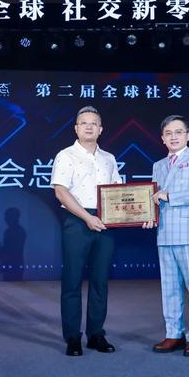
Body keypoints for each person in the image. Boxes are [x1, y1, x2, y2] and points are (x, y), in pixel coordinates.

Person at [51, 105, 121, 356]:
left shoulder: (109, 158)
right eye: (84, 123)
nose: (89, 126)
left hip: (106, 222)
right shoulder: (66, 155)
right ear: (76, 128)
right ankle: (72, 337)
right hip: (77, 221)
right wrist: (86, 217)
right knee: (72, 280)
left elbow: (118, 192)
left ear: (101, 129)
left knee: (100, 281)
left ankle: (96, 334)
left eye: (94, 123)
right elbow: (61, 192)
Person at [143, 114, 189, 357]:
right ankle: (174, 333)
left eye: (178, 132)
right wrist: (150, 215)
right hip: (165, 233)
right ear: (162, 138)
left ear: (188, 136)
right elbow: (153, 199)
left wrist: (170, 196)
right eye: (168, 133)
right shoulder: (158, 165)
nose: (174, 137)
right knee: (169, 288)